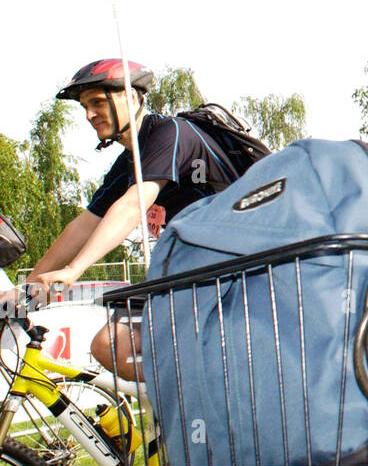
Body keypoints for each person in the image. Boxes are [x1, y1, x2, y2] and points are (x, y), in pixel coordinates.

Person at [18, 60, 236, 377]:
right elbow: (84, 226)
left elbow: (133, 205)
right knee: (111, 345)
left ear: (131, 98)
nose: (89, 115)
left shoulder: (169, 133)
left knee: (119, 343)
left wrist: (73, 270)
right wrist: (26, 292)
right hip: (192, 271)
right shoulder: (129, 162)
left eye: (96, 102)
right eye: (84, 107)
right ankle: (179, 413)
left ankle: (202, 407)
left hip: (239, 268)